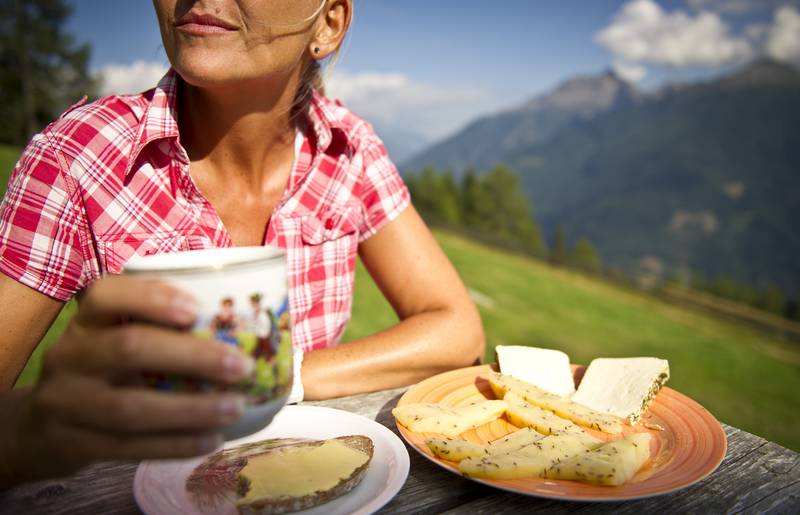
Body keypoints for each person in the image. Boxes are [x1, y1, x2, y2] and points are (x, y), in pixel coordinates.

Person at [0, 0, 483, 487]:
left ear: (329, 22)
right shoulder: (78, 156)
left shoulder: (347, 148)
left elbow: (457, 329)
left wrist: (275, 379)